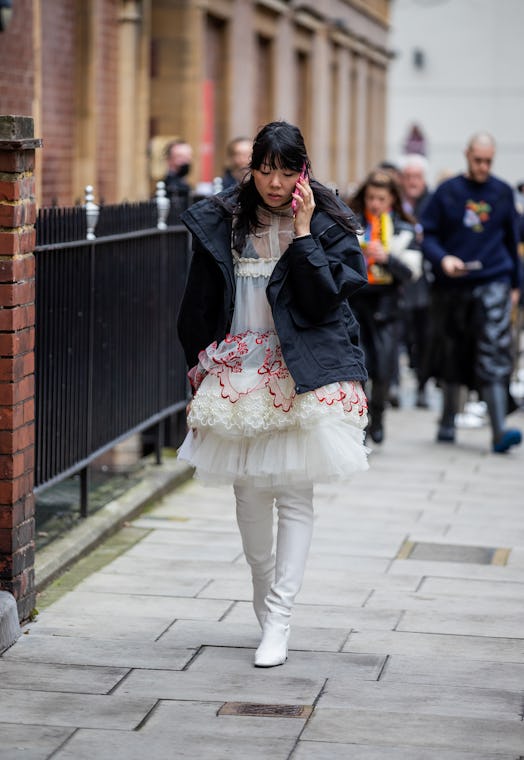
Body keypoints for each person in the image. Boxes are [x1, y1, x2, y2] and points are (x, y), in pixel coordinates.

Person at [177, 121, 369, 668]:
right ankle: (266, 605)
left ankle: (281, 619)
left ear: (302, 171)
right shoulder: (224, 220)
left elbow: (326, 300)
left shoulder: (329, 225)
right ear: (253, 167)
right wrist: (196, 372)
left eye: (287, 170)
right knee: (249, 500)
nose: (275, 181)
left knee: (294, 496)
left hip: (302, 369)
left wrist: (304, 234)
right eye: (266, 168)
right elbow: (196, 308)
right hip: (238, 371)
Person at [420, 132, 522, 453]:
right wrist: (443, 259)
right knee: (452, 349)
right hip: (452, 284)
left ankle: (498, 430)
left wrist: (517, 287)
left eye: (489, 161)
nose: (483, 166)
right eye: (478, 160)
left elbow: (512, 243)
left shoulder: (503, 193)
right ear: (467, 155)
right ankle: (448, 420)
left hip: (493, 280)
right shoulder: (447, 193)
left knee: (493, 351)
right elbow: (429, 236)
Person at [349, 169, 418, 443]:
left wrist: (387, 258)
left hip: (387, 305)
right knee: (360, 364)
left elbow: (413, 272)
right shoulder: (352, 225)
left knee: (384, 366)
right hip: (356, 301)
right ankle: (362, 421)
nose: (375, 203)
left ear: (391, 200)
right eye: (370, 197)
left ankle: (378, 415)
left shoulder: (403, 229)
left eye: (381, 198)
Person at [398, 153, 433, 408]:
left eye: (417, 177)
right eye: (408, 176)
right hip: (398, 277)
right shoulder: (396, 202)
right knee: (400, 333)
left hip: (425, 278)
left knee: (424, 335)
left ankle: (422, 384)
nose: (412, 182)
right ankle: (394, 385)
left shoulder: (432, 203)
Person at [163, 139, 193, 217]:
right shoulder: (167, 187)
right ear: (169, 160)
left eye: (188, 156)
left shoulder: (186, 184)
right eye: (180, 157)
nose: (186, 161)